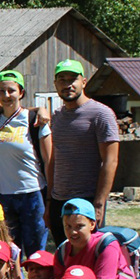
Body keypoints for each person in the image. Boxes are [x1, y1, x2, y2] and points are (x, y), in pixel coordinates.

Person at [47, 60, 118, 238]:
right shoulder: (57, 116)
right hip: (58, 200)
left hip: (87, 200)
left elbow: (110, 160)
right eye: (62, 80)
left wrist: (99, 203)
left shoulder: (101, 114)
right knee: (63, 252)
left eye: (73, 79)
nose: (68, 84)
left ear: (83, 82)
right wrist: (49, 201)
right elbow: (54, 160)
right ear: (55, 84)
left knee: (87, 253)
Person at [0, 70, 51, 255]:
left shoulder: (34, 120)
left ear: (21, 92)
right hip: (2, 195)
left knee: (35, 252)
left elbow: (49, 161)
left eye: (11, 90)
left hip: (32, 194)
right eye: (1, 91)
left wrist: (50, 198)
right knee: (8, 251)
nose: (6, 95)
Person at [52, 198, 140, 279]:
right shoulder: (62, 251)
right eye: (68, 226)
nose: (73, 232)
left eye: (79, 226)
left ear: (92, 224)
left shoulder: (106, 245)